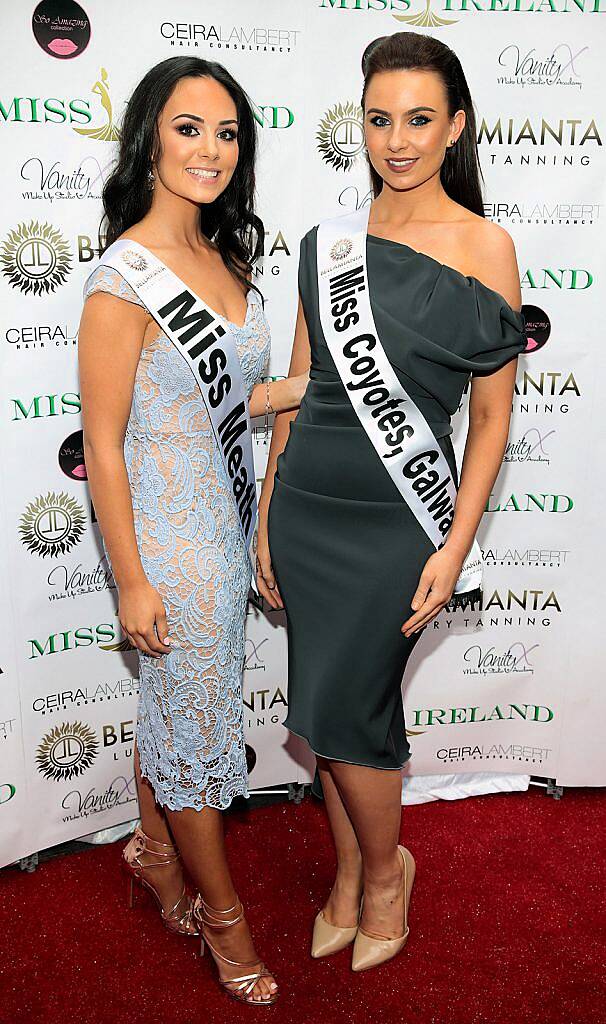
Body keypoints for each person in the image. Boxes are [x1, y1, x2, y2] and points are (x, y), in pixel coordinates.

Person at [257, 32, 527, 973]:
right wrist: (264, 514)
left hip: (399, 526)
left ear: (455, 127)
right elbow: (298, 383)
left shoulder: (485, 247)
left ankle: (384, 874)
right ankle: (344, 875)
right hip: (308, 510)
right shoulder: (327, 246)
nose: (398, 140)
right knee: (325, 715)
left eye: (419, 119)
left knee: (357, 713)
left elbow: (490, 421)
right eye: (379, 119)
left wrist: (456, 547)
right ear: (360, 125)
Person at [78, 56, 307, 1006]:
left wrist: (293, 391)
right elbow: (105, 443)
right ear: (149, 137)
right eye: (188, 128)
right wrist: (132, 579)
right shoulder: (121, 279)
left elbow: (217, 398)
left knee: (179, 716)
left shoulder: (226, 257)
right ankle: (224, 920)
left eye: (227, 133)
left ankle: (149, 852)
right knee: (202, 738)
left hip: (224, 520)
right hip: (165, 548)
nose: (211, 150)